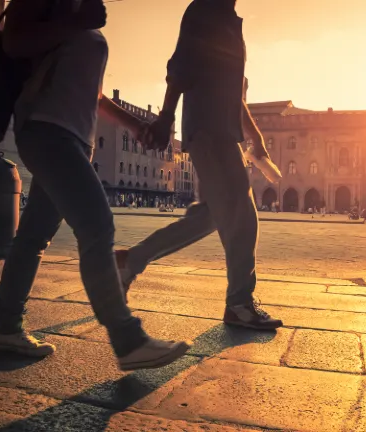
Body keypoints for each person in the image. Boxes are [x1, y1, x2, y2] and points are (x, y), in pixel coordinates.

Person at [0, 0, 190, 370]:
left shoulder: (81, 12)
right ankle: (128, 340)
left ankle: (5, 327)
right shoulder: (65, 10)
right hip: (47, 131)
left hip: (73, 138)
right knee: (97, 226)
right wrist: (78, 21)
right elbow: (13, 43)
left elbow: (93, 96)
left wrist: (134, 126)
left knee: (33, 238)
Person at [115, 0, 282, 330]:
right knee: (242, 217)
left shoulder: (228, 20)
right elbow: (179, 69)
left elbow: (235, 98)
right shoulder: (205, 10)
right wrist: (164, 118)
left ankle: (129, 261)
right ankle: (239, 304)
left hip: (222, 131)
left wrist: (255, 137)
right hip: (209, 129)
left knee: (209, 217)